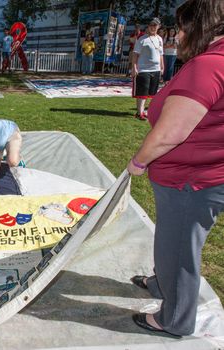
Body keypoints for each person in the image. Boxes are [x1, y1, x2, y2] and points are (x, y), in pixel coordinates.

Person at [127, 0, 224, 337]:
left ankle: (173, 318)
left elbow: (170, 133)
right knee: (174, 240)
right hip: (204, 175)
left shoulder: (208, 66)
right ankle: (161, 283)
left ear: (203, 26)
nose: (177, 35)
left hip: (190, 181)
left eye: (182, 28)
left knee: (179, 247)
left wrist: (139, 161)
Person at [132, 18, 164, 120]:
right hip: (143, 69)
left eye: (155, 25)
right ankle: (139, 113)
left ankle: (142, 111)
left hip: (156, 69)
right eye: (151, 25)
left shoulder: (159, 39)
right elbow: (135, 54)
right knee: (142, 92)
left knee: (151, 92)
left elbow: (161, 54)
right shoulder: (142, 39)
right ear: (148, 26)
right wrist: (134, 67)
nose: (153, 27)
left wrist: (162, 67)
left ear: (158, 27)